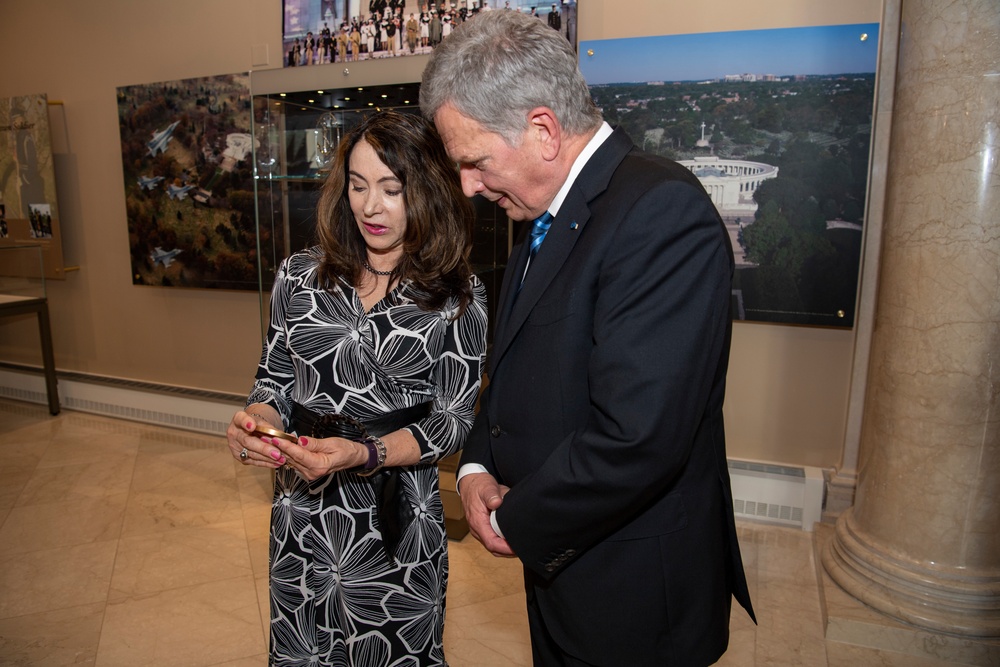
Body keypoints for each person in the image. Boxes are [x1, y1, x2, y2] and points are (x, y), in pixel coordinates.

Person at [420, 10, 755, 666]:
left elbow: (638, 435)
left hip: (630, 599)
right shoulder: (546, 213)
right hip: (566, 576)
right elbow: (515, 364)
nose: (467, 186)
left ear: (543, 129)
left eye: (475, 161)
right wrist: (478, 466)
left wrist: (518, 519)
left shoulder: (660, 213)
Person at [226, 111, 487, 665]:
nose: (371, 206)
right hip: (301, 516)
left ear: (428, 192)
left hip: (395, 525)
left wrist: (365, 452)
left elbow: (452, 420)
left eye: (392, 189)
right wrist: (255, 419)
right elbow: (273, 375)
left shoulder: (458, 297)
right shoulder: (298, 276)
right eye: (359, 186)